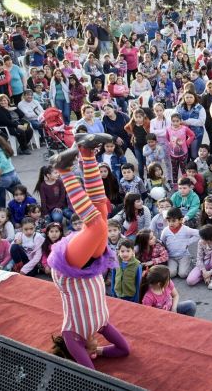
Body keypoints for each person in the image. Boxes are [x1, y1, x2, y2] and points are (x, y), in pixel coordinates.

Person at [47, 133, 130, 370]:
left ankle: (63, 169)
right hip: (91, 264)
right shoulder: (100, 324)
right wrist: (100, 350)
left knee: (94, 223)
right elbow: (124, 349)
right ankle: (87, 153)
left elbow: (89, 374)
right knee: (102, 209)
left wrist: (89, 353)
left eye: (90, 352)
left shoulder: (72, 335)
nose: (93, 351)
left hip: (69, 269)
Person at [186, 224, 212, 290]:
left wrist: (211, 272)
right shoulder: (201, 243)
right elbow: (199, 258)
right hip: (205, 264)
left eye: (202, 238)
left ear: (209, 240)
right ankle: (206, 276)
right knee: (190, 281)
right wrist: (204, 272)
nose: (201, 239)